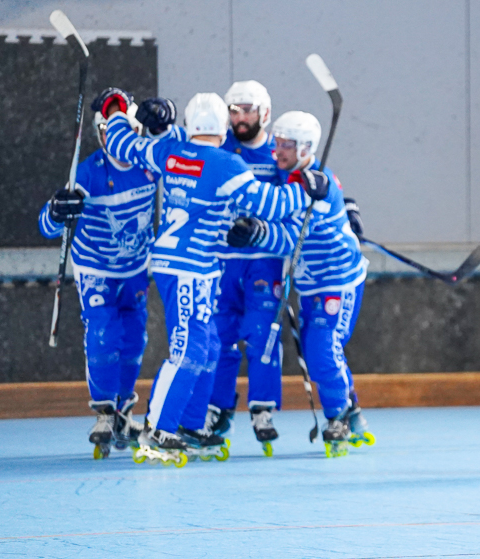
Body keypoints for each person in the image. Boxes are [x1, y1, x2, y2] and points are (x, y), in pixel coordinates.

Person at [98, 89, 329, 464]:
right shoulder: (225, 165)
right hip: (189, 268)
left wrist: (116, 110)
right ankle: (158, 429)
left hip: (196, 268)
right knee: (188, 350)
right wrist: (307, 188)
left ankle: (190, 426)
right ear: (223, 128)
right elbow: (271, 205)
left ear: (189, 125)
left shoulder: (170, 152)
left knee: (205, 347)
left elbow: (124, 144)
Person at [227, 111, 373, 458]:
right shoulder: (295, 173)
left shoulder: (314, 185)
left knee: (323, 348)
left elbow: (291, 239)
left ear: (306, 147)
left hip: (337, 281)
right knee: (316, 348)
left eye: (287, 145)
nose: (278, 150)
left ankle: (337, 417)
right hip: (309, 284)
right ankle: (351, 408)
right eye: (276, 143)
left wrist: (256, 233)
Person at [38, 94, 152, 459]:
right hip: (97, 268)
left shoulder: (150, 163)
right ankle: (104, 410)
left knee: (135, 338)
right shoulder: (87, 171)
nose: (111, 138)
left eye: (119, 129)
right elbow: (45, 226)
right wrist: (58, 210)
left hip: (135, 268)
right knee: (103, 332)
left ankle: (123, 410)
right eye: (104, 131)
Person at [205, 80, 285, 451]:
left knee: (261, 334)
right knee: (219, 337)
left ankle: (262, 407)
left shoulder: (277, 153)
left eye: (247, 110)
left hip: (264, 264)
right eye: (233, 111)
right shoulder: (222, 151)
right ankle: (217, 409)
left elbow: (297, 196)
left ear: (264, 112)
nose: (239, 118)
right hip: (224, 261)